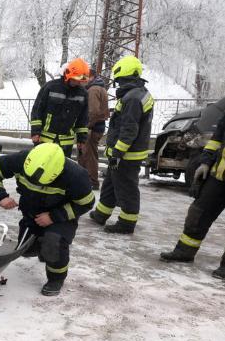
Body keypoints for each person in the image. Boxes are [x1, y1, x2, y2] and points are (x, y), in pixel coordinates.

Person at [0, 143, 95, 296]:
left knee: (53, 242)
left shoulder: (76, 176)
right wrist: (1, 196)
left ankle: (56, 279)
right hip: (32, 213)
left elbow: (86, 203)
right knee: (26, 250)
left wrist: (53, 216)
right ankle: (42, 249)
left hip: (60, 216)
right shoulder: (20, 159)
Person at [88, 55, 153, 234]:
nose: (117, 85)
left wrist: (117, 152)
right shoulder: (139, 93)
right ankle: (101, 214)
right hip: (125, 153)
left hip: (126, 155)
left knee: (126, 187)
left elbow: (129, 129)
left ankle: (127, 222)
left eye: (119, 81)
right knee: (111, 183)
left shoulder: (132, 98)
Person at [160, 107, 225, 279]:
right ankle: (184, 252)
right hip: (218, 175)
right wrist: (205, 162)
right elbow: (216, 140)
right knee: (198, 213)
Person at [30, 58, 91, 157]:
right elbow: (37, 110)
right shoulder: (50, 87)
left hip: (66, 144)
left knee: (62, 170)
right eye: (76, 79)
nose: (78, 83)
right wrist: (35, 132)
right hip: (45, 140)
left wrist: (81, 139)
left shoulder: (83, 94)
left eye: (81, 81)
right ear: (68, 74)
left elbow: (83, 119)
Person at [78, 69, 109, 190]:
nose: (82, 81)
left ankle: (91, 182)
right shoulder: (100, 87)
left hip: (92, 128)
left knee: (88, 156)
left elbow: (93, 111)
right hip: (98, 127)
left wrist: (86, 127)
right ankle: (89, 181)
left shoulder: (93, 89)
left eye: (84, 78)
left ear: (90, 77)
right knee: (90, 155)